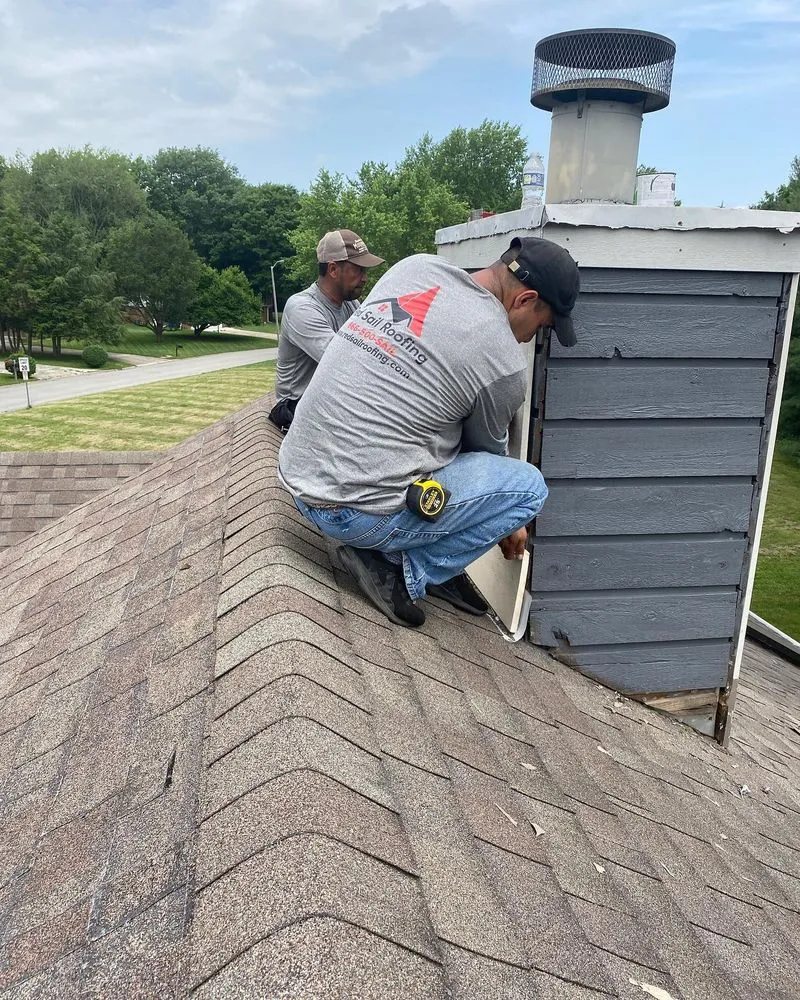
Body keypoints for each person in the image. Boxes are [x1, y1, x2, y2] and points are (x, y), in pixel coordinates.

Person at [277, 236, 580, 628]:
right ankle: (405, 570)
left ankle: (404, 548)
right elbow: (485, 456)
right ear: (525, 300)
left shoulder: (415, 268)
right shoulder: (503, 360)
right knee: (528, 490)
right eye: (543, 325)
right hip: (349, 512)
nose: (531, 338)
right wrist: (510, 519)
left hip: (296, 473)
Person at [268, 229, 384, 432]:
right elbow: (345, 363)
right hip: (294, 406)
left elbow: (375, 343)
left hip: (329, 397)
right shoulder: (302, 308)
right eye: (359, 270)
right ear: (333, 270)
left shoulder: (351, 304)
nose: (365, 278)